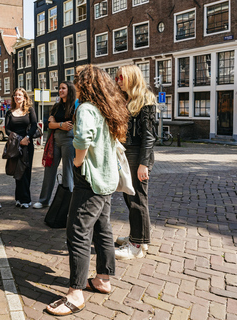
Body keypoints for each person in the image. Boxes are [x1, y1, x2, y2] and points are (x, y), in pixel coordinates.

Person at [46, 65, 129, 316]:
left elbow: (82, 139)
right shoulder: (108, 107)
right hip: (107, 179)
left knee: (78, 232)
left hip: (91, 180)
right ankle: (103, 278)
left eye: (77, 82)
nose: (75, 85)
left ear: (85, 84)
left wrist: (78, 162)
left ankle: (76, 293)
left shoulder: (86, 109)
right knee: (103, 228)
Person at [114, 65, 157, 260]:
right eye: (117, 78)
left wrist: (144, 163)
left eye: (121, 77)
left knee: (137, 200)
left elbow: (149, 136)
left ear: (131, 77)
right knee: (131, 198)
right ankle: (138, 238)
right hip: (127, 153)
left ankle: (136, 246)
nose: (118, 81)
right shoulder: (126, 99)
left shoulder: (145, 100)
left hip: (137, 155)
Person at [33, 81, 76, 209]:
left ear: (70, 90)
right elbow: (50, 125)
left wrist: (57, 124)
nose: (60, 90)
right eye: (60, 88)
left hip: (69, 140)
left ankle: (68, 203)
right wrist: (61, 125)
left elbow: (71, 126)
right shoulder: (57, 106)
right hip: (55, 140)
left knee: (68, 171)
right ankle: (43, 200)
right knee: (49, 169)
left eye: (63, 88)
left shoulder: (75, 106)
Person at [5, 88, 38, 209]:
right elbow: (7, 129)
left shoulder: (30, 110)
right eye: (15, 95)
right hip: (15, 144)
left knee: (25, 171)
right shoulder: (9, 112)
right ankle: (18, 198)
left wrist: (27, 137)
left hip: (27, 144)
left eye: (20, 95)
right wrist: (16, 138)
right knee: (16, 171)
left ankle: (26, 199)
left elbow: (34, 125)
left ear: (24, 97)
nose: (17, 97)